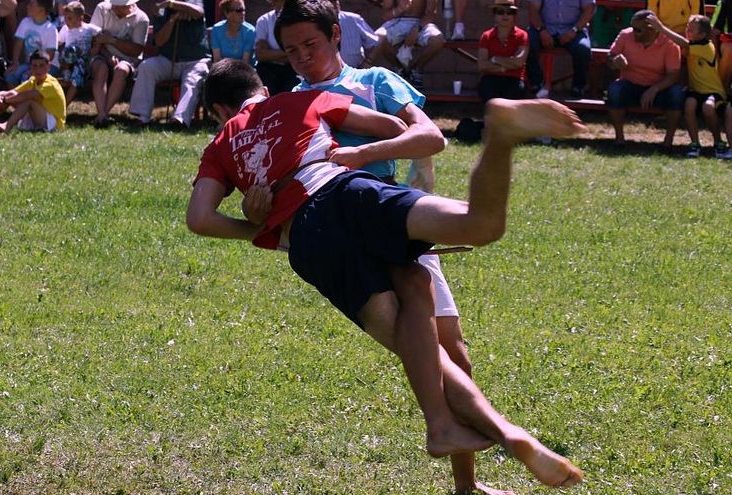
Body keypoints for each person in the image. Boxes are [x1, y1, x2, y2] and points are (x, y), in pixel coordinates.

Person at [189, 58, 587, 491]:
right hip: (350, 191)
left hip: (309, 236)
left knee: (417, 336)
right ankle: (502, 138)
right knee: (479, 225)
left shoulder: (221, 143)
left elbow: (200, 218)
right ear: (262, 89)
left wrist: (263, 226)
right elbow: (396, 130)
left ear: (219, 112)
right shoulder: (301, 99)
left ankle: (478, 430)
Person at [258, 1, 502, 492]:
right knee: (431, 358)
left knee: (456, 356)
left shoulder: (373, 81)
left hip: (395, 220)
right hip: (346, 242)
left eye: (312, 45)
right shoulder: (287, 105)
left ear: (335, 35)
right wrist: (257, 202)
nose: (304, 58)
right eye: (292, 51)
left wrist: (362, 154)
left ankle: (467, 485)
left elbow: (430, 138)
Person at [648, 14, 731, 158]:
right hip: (695, 91)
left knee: (708, 107)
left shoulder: (706, 46)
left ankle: (718, 141)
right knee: (689, 104)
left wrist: (660, 27)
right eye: (687, 27)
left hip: (713, 91)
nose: (688, 31)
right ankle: (694, 143)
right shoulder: (693, 44)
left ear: (703, 34)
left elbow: (684, 44)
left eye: (691, 29)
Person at [607, 9, 684, 150]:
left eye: (637, 29)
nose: (633, 31)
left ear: (652, 29)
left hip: (658, 89)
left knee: (676, 93)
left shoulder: (670, 44)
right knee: (614, 90)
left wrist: (654, 89)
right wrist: (615, 61)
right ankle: (619, 139)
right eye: (632, 27)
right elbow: (610, 57)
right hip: (630, 84)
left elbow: (673, 75)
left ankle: (668, 142)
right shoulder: (625, 35)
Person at [129, 0, 211, 127]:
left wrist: (172, 4)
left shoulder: (193, 1)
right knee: (147, 67)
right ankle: (142, 117)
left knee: (192, 80)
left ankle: (179, 120)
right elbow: (159, 41)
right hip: (168, 59)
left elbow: (199, 12)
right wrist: (172, 19)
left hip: (196, 60)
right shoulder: (161, 7)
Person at [0, 49, 65, 132]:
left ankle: (6, 128)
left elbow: (28, 95)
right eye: (34, 66)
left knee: (28, 102)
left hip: (54, 124)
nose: (38, 69)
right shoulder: (33, 80)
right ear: (30, 67)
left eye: (41, 65)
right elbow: (14, 92)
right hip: (40, 117)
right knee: (10, 98)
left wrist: (5, 100)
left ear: (49, 67)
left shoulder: (50, 83)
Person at [89, 0, 149, 126]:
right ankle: (102, 115)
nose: (113, 7)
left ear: (128, 6)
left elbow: (136, 50)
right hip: (102, 54)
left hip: (128, 59)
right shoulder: (102, 8)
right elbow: (94, 38)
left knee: (121, 70)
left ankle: (103, 114)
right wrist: (108, 55)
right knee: (101, 68)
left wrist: (112, 40)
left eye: (117, 6)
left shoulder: (141, 19)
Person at [526, 0, 595, 99]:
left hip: (574, 29)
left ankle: (578, 86)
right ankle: (536, 83)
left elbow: (590, 8)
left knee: (583, 49)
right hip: (545, 28)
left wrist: (574, 30)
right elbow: (533, 8)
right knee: (528, 41)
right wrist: (541, 30)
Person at [374, 0, 444, 89]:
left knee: (437, 39)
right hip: (398, 21)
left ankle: (416, 70)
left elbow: (431, 14)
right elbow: (385, 15)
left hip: (421, 22)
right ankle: (399, 70)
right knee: (378, 37)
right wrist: (399, 9)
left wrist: (417, 29)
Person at [477, 0, 527, 102]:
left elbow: (519, 61)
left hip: (515, 79)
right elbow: (482, 65)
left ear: (514, 15)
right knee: (488, 95)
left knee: (513, 97)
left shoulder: (522, 35)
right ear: (494, 15)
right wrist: (506, 67)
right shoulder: (486, 36)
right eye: (500, 12)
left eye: (510, 12)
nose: (505, 15)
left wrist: (495, 59)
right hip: (491, 78)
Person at [5, 0, 59, 86]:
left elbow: (50, 55)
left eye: (31, 4)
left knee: (26, 77)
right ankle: (18, 98)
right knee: (10, 76)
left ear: (41, 10)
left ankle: (28, 98)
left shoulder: (51, 29)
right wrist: (15, 63)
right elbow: (18, 44)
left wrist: (35, 69)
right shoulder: (25, 22)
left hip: (48, 65)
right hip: (30, 64)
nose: (27, 6)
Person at [56, 0, 100, 104]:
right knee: (69, 51)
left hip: (82, 61)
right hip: (67, 60)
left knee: (76, 78)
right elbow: (57, 42)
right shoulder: (65, 29)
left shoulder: (89, 29)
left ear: (81, 17)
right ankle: (66, 73)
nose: (67, 21)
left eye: (70, 18)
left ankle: (65, 104)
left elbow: (101, 35)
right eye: (65, 18)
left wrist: (95, 50)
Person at [254, 0, 299, 95]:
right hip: (269, 68)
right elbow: (260, 54)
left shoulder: (298, 20)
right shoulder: (264, 21)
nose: (273, 3)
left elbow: (298, 52)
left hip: (291, 68)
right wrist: (289, 52)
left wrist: (270, 52)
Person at [334, 0, 379, 68]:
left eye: (335, 0)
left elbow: (375, 44)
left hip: (356, 73)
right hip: (326, 76)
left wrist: (368, 62)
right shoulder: (315, 24)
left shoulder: (353, 19)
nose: (334, 4)